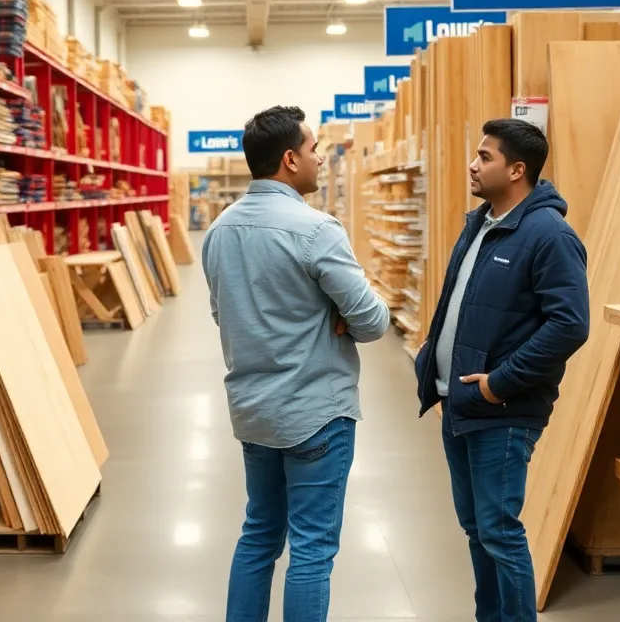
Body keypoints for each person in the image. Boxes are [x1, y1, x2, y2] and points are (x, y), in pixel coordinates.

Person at [203, 105, 390, 622]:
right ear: (290, 159)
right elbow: (373, 321)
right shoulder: (316, 230)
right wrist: (334, 313)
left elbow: (224, 314)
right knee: (311, 549)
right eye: (314, 150)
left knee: (259, 534)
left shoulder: (219, 231)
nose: (320, 159)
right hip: (315, 414)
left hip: (253, 413)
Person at [414, 118, 589, 622]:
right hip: (459, 403)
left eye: (485, 157)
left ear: (517, 170)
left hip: (502, 410)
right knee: (478, 529)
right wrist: (433, 352)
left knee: (499, 532)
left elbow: (570, 325)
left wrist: (499, 383)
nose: (473, 164)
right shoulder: (481, 223)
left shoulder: (549, 235)